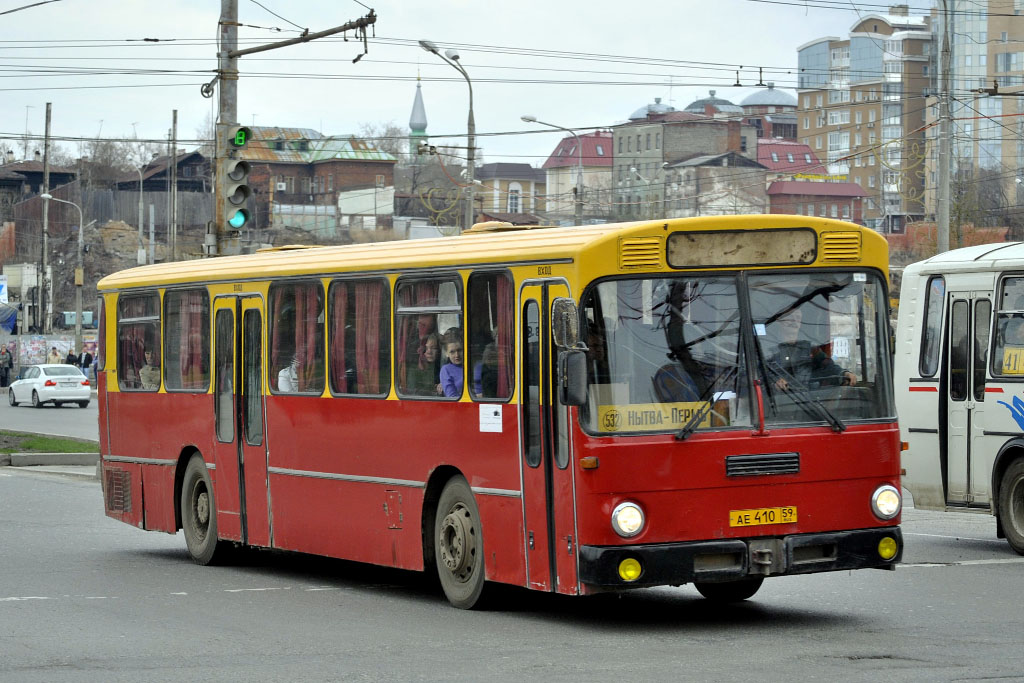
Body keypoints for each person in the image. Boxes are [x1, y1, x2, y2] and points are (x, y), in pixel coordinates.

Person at [769, 307, 855, 391]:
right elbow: (761, 375)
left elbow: (828, 366)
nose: (794, 322)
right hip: (778, 400)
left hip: (808, 401)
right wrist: (775, 382)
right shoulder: (768, 349)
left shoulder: (810, 348)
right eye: (790, 318)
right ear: (779, 320)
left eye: (798, 318)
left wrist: (844, 373)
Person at [439, 327, 464, 398]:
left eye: (459, 350)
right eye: (452, 352)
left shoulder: (474, 365)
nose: (457, 355)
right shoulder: (446, 370)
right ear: (447, 354)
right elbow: (452, 396)